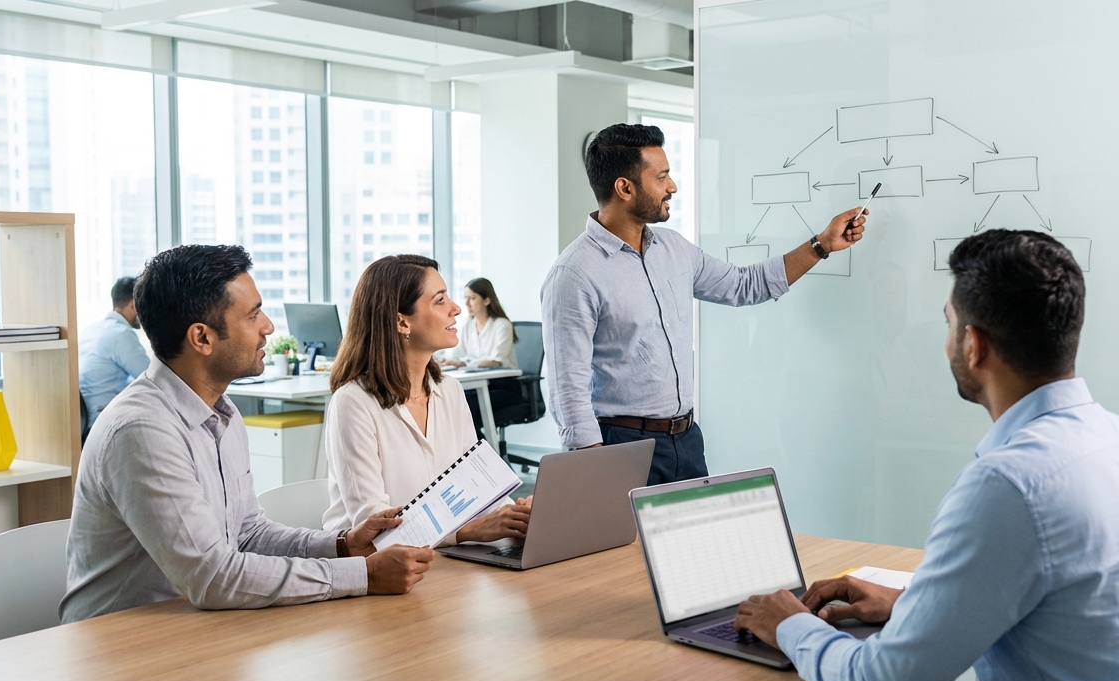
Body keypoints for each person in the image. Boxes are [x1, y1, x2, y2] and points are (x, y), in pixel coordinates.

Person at [733, 230, 1119, 681]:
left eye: (948, 324)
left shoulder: (1012, 483)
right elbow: (1057, 594)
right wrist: (907, 606)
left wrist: (788, 622)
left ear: (973, 345)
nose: (946, 339)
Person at [60, 245, 435, 623]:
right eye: (253, 315)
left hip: (198, 626)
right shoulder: (143, 430)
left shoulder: (222, 413)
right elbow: (213, 577)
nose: (268, 327)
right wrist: (363, 576)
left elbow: (247, 534)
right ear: (202, 338)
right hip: (121, 646)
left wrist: (344, 545)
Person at [542, 123, 867, 485]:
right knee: (629, 545)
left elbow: (745, 285)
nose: (672, 186)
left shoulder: (674, 249)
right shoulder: (574, 274)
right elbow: (566, 388)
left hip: (686, 440)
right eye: (662, 176)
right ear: (625, 188)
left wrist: (821, 244)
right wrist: (595, 474)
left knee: (696, 543)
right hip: (622, 447)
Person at [321, 254, 531, 545]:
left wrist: (517, 515)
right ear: (401, 322)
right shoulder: (353, 403)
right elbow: (375, 525)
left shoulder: (450, 391)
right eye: (440, 300)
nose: (456, 309)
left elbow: (479, 489)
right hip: (375, 568)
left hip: (444, 559)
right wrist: (464, 532)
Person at [436, 277, 524, 435]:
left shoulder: (502, 324)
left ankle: (481, 454)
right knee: (454, 403)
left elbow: (496, 361)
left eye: (472, 298)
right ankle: (475, 453)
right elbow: (457, 353)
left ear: (487, 300)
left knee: (469, 405)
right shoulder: (468, 325)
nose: (467, 303)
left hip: (504, 387)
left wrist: (463, 364)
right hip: (480, 386)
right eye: (466, 298)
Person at [78, 277, 150, 425]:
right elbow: (152, 377)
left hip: (87, 418)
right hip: (105, 419)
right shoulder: (121, 333)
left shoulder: (91, 329)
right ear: (133, 305)